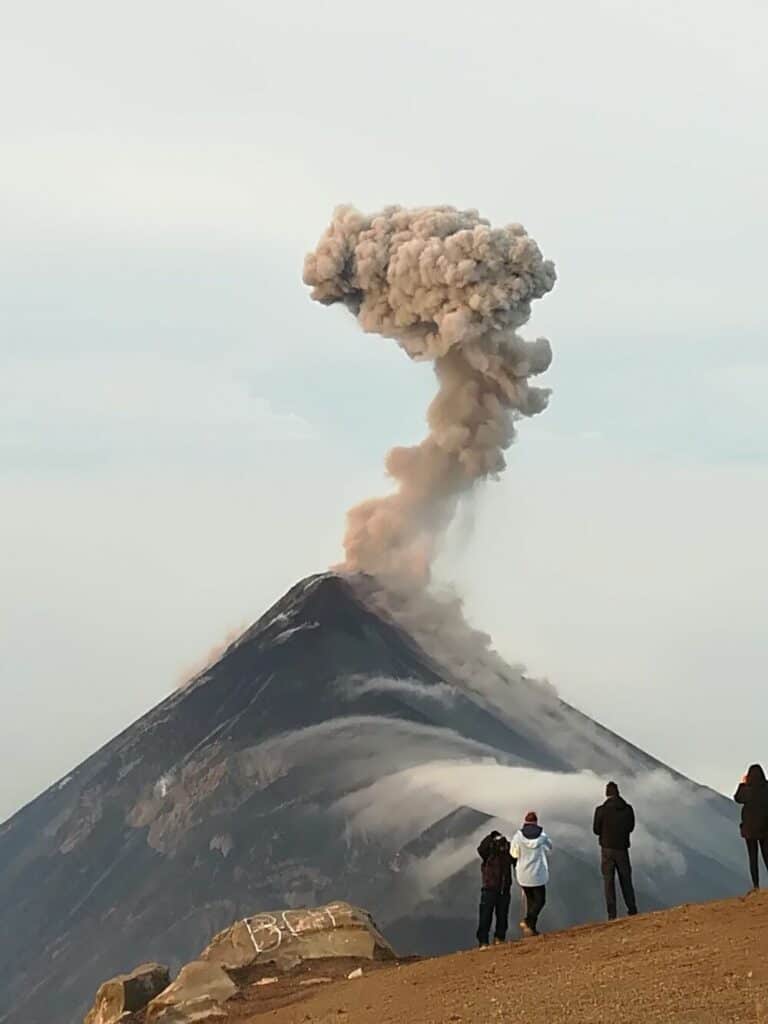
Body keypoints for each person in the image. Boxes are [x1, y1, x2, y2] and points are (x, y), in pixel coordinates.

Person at [593, 781, 638, 920]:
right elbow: (631, 827)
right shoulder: (628, 809)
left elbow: (596, 830)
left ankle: (612, 915)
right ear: (618, 792)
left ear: (607, 794)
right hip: (622, 848)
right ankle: (632, 909)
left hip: (607, 849)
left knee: (608, 881)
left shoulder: (601, 810)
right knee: (626, 879)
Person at [509, 811, 552, 937]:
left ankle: (531, 928)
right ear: (536, 822)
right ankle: (529, 922)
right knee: (540, 900)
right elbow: (550, 847)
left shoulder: (518, 837)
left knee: (531, 900)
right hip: (538, 874)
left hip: (523, 874)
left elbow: (514, 854)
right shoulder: (542, 836)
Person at [734, 763, 768, 889]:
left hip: (749, 831)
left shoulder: (747, 789)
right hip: (765, 829)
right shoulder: (766, 787)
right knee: (767, 856)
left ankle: (756, 886)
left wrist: (743, 783)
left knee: (752, 858)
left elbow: (737, 798)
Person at [476, 830, 513, 946]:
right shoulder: (489, 852)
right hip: (493, 888)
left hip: (498, 888)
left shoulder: (507, 852)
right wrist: (491, 836)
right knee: (487, 916)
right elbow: (481, 849)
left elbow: (516, 858)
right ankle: (484, 941)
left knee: (501, 916)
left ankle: (498, 938)